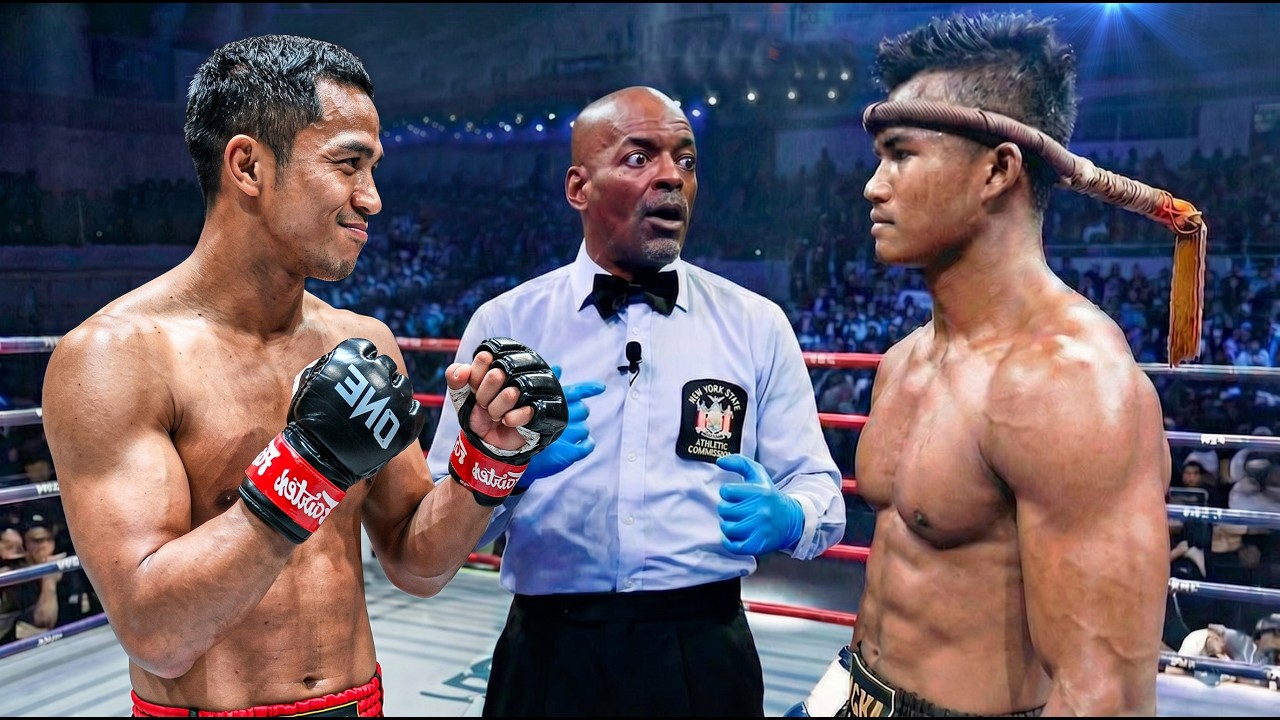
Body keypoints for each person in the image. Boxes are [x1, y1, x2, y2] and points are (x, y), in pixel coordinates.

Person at [40, 34, 566, 717]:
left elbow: (417, 564)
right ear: (248, 166)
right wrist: (308, 466)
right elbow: (157, 635)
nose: (372, 199)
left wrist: (488, 459)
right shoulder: (116, 357)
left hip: (360, 702)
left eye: (372, 169)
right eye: (348, 164)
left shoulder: (362, 341)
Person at [425, 85, 847, 716]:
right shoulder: (507, 324)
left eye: (686, 159)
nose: (672, 176)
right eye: (639, 157)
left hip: (703, 649)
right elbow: (442, 520)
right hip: (549, 651)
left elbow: (820, 490)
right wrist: (502, 472)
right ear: (579, 187)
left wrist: (789, 515)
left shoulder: (755, 324)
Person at [809, 11, 1173, 716]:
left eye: (901, 154)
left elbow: (1104, 694)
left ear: (998, 170)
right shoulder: (905, 360)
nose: (873, 186)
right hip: (857, 692)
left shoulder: (1068, 382)